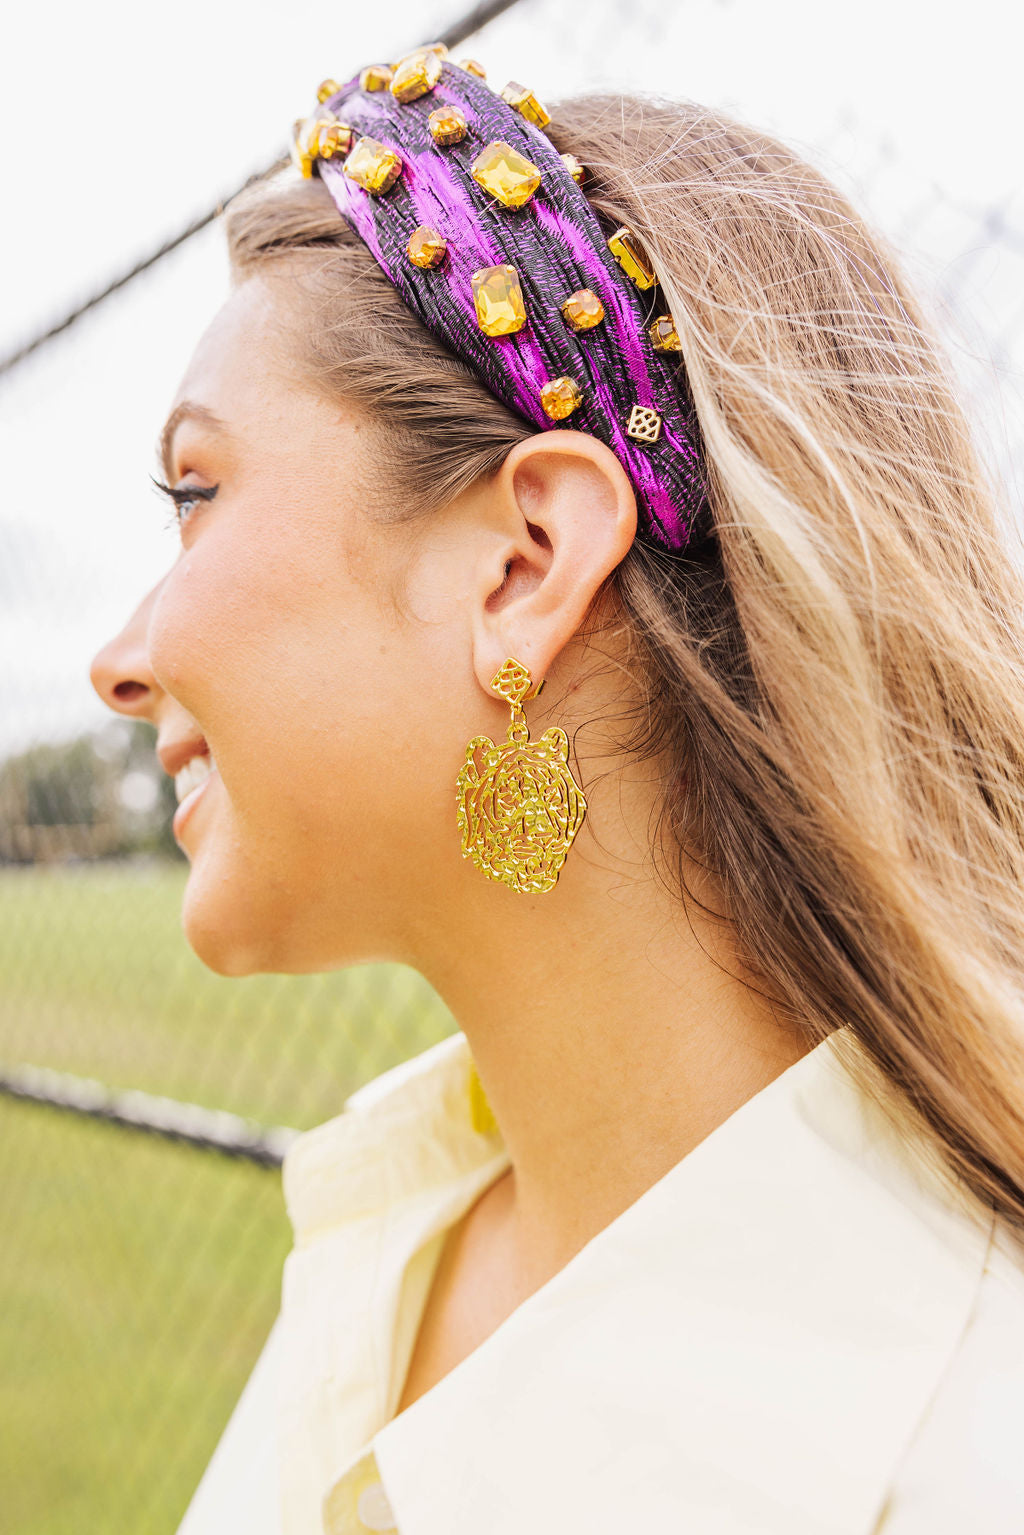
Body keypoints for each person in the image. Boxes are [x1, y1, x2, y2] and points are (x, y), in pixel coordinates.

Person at [88, 44, 1024, 1535]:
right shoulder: (389, 1239)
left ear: (525, 563)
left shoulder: (972, 1452)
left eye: (196, 497)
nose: (119, 662)